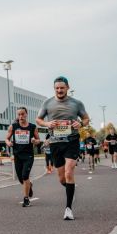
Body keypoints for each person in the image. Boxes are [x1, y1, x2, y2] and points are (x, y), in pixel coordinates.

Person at [36, 76, 89, 220]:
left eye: (62, 88)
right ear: (54, 88)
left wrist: (81, 124)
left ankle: (68, 209)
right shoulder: (47, 103)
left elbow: (86, 118)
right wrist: (47, 124)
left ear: (67, 87)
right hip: (55, 143)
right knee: (61, 178)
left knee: (69, 171)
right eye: (57, 88)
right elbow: (38, 119)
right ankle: (70, 189)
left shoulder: (76, 103)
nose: (59, 90)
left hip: (72, 141)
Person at [6, 107, 40, 207]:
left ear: (26, 114)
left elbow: (38, 140)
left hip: (28, 155)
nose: (21, 116)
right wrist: (8, 143)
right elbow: (6, 139)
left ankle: (26, 199)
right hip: (17, 155)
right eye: (19, 114)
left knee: (25, 176)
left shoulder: (33, 127)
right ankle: (29, 185)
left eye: (22, 114)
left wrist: (35, 141)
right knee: (21, 179)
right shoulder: (13, 126)